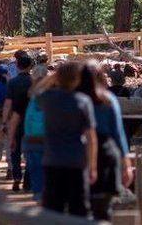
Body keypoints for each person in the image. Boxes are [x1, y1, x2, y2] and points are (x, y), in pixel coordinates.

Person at [37, 61, 98, 217]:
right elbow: (91, 137)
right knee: (79, 209)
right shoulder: (83, 101)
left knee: (52, 209)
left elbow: (34, 91)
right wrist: (92, 166)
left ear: (58, 78)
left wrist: (52, 77)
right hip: (77, 161)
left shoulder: (48, 98)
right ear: (77, 79)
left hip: (52, 160)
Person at [78, 61, 133, 220]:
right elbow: (118, 132)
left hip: (81, 153)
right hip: (106, 152)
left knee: (81, 207)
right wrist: (126, 163)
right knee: (104, 207)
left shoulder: (75, 100)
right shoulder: (108, 99)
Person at [2, 51, 34, 189]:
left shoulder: (13, 83)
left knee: (15, 149)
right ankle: (28, 180)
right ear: (30, 66)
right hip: (32, 121)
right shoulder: (34, 82)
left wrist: (4, 121)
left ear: (17, 65)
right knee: (30, 151)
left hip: (15, 119)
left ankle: (16, 177)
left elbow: (8, 103)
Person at [22, 64, 53, 202]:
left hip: (32, 138)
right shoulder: (54, 92)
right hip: (50, 137)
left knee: (35, 168)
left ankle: (38, 194)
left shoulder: (30, 94)